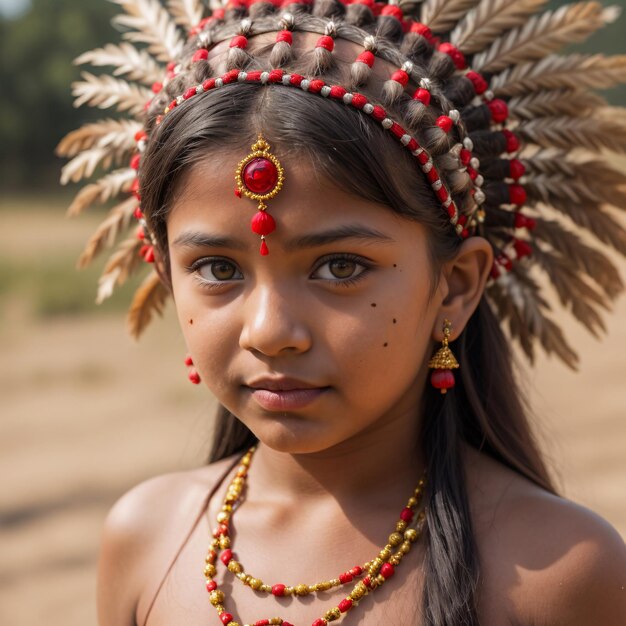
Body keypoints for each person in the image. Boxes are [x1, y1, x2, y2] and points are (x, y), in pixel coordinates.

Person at [58, 0, 626, 624]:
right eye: (219, 270)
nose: (271, 332)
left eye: (341, 267)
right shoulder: (147, 539)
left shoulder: (560, 573)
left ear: (456, 286)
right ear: (167, 274)